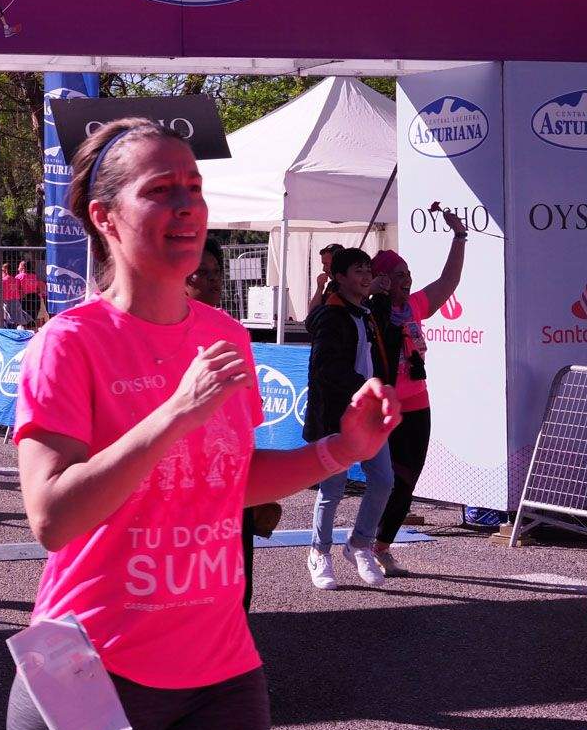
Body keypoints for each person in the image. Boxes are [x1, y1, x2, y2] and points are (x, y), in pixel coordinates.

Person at [7, 118, 401, 730]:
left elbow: (230, 481)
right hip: (93, 664)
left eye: (194, 185)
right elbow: (52, 517)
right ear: (106, 216)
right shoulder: (68, 345)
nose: (187, 204)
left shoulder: (225, 335)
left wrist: (344, 450)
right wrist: (174, 413)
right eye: (161, 189)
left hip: (222, 669)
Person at [368, 209, 468, 575]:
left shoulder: (413, 306)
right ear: (381, 280)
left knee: (408, 476)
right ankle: (356, 543)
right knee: (384, 479)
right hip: (381, 403)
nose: (406, 280)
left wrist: (459, 238)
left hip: (416, 399)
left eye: (408, 274)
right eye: (398, 275)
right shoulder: (369, 311)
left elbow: (447, 282)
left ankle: (381, 546)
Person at [189, 237, 281, 611]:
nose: (213, 282)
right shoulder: (149, 331)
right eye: (201, 275)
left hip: (229, 478)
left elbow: (248, 417)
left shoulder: (232, 331)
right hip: (184, 483)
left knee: (235, 589)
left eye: (217, 273)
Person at [304, 247, 400, 590]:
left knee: (384, 480)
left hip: (370, 414)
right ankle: (319, 551)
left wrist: (385, 298)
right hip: (337, 416)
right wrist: (366, 388)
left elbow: (384, 349)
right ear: (339, 277)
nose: (365, 277)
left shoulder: (369, 312)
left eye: (367, 270)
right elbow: (327, 369)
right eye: (357, 271)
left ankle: (359, 544)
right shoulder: (331, 316)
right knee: (333, 488)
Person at [308, 243, 344, 315]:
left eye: (326, 264)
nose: (323, 269)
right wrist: (320, 288)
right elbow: (312, 312)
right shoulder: (332, 285)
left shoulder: (351, 286)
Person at [15, 260, 42, 328]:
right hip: (35, 297)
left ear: (23, 268)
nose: (18, 268)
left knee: (25, 318)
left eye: (19, 266)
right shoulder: (34, 276)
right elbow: (38, 288)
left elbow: (16, 289)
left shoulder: (19, 277)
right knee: (33, 318)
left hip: (25, 298)